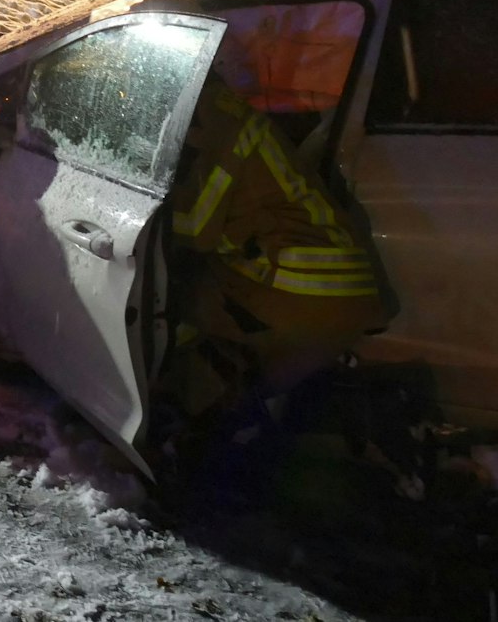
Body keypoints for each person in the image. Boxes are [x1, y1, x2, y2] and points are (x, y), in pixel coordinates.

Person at [165, 76, 389, 417]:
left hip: (305, 289)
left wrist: (141, 216)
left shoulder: (214, 123)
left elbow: (196, 228)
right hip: (330, 286)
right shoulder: (219, 107)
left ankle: (178, 420)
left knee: (178, 304)